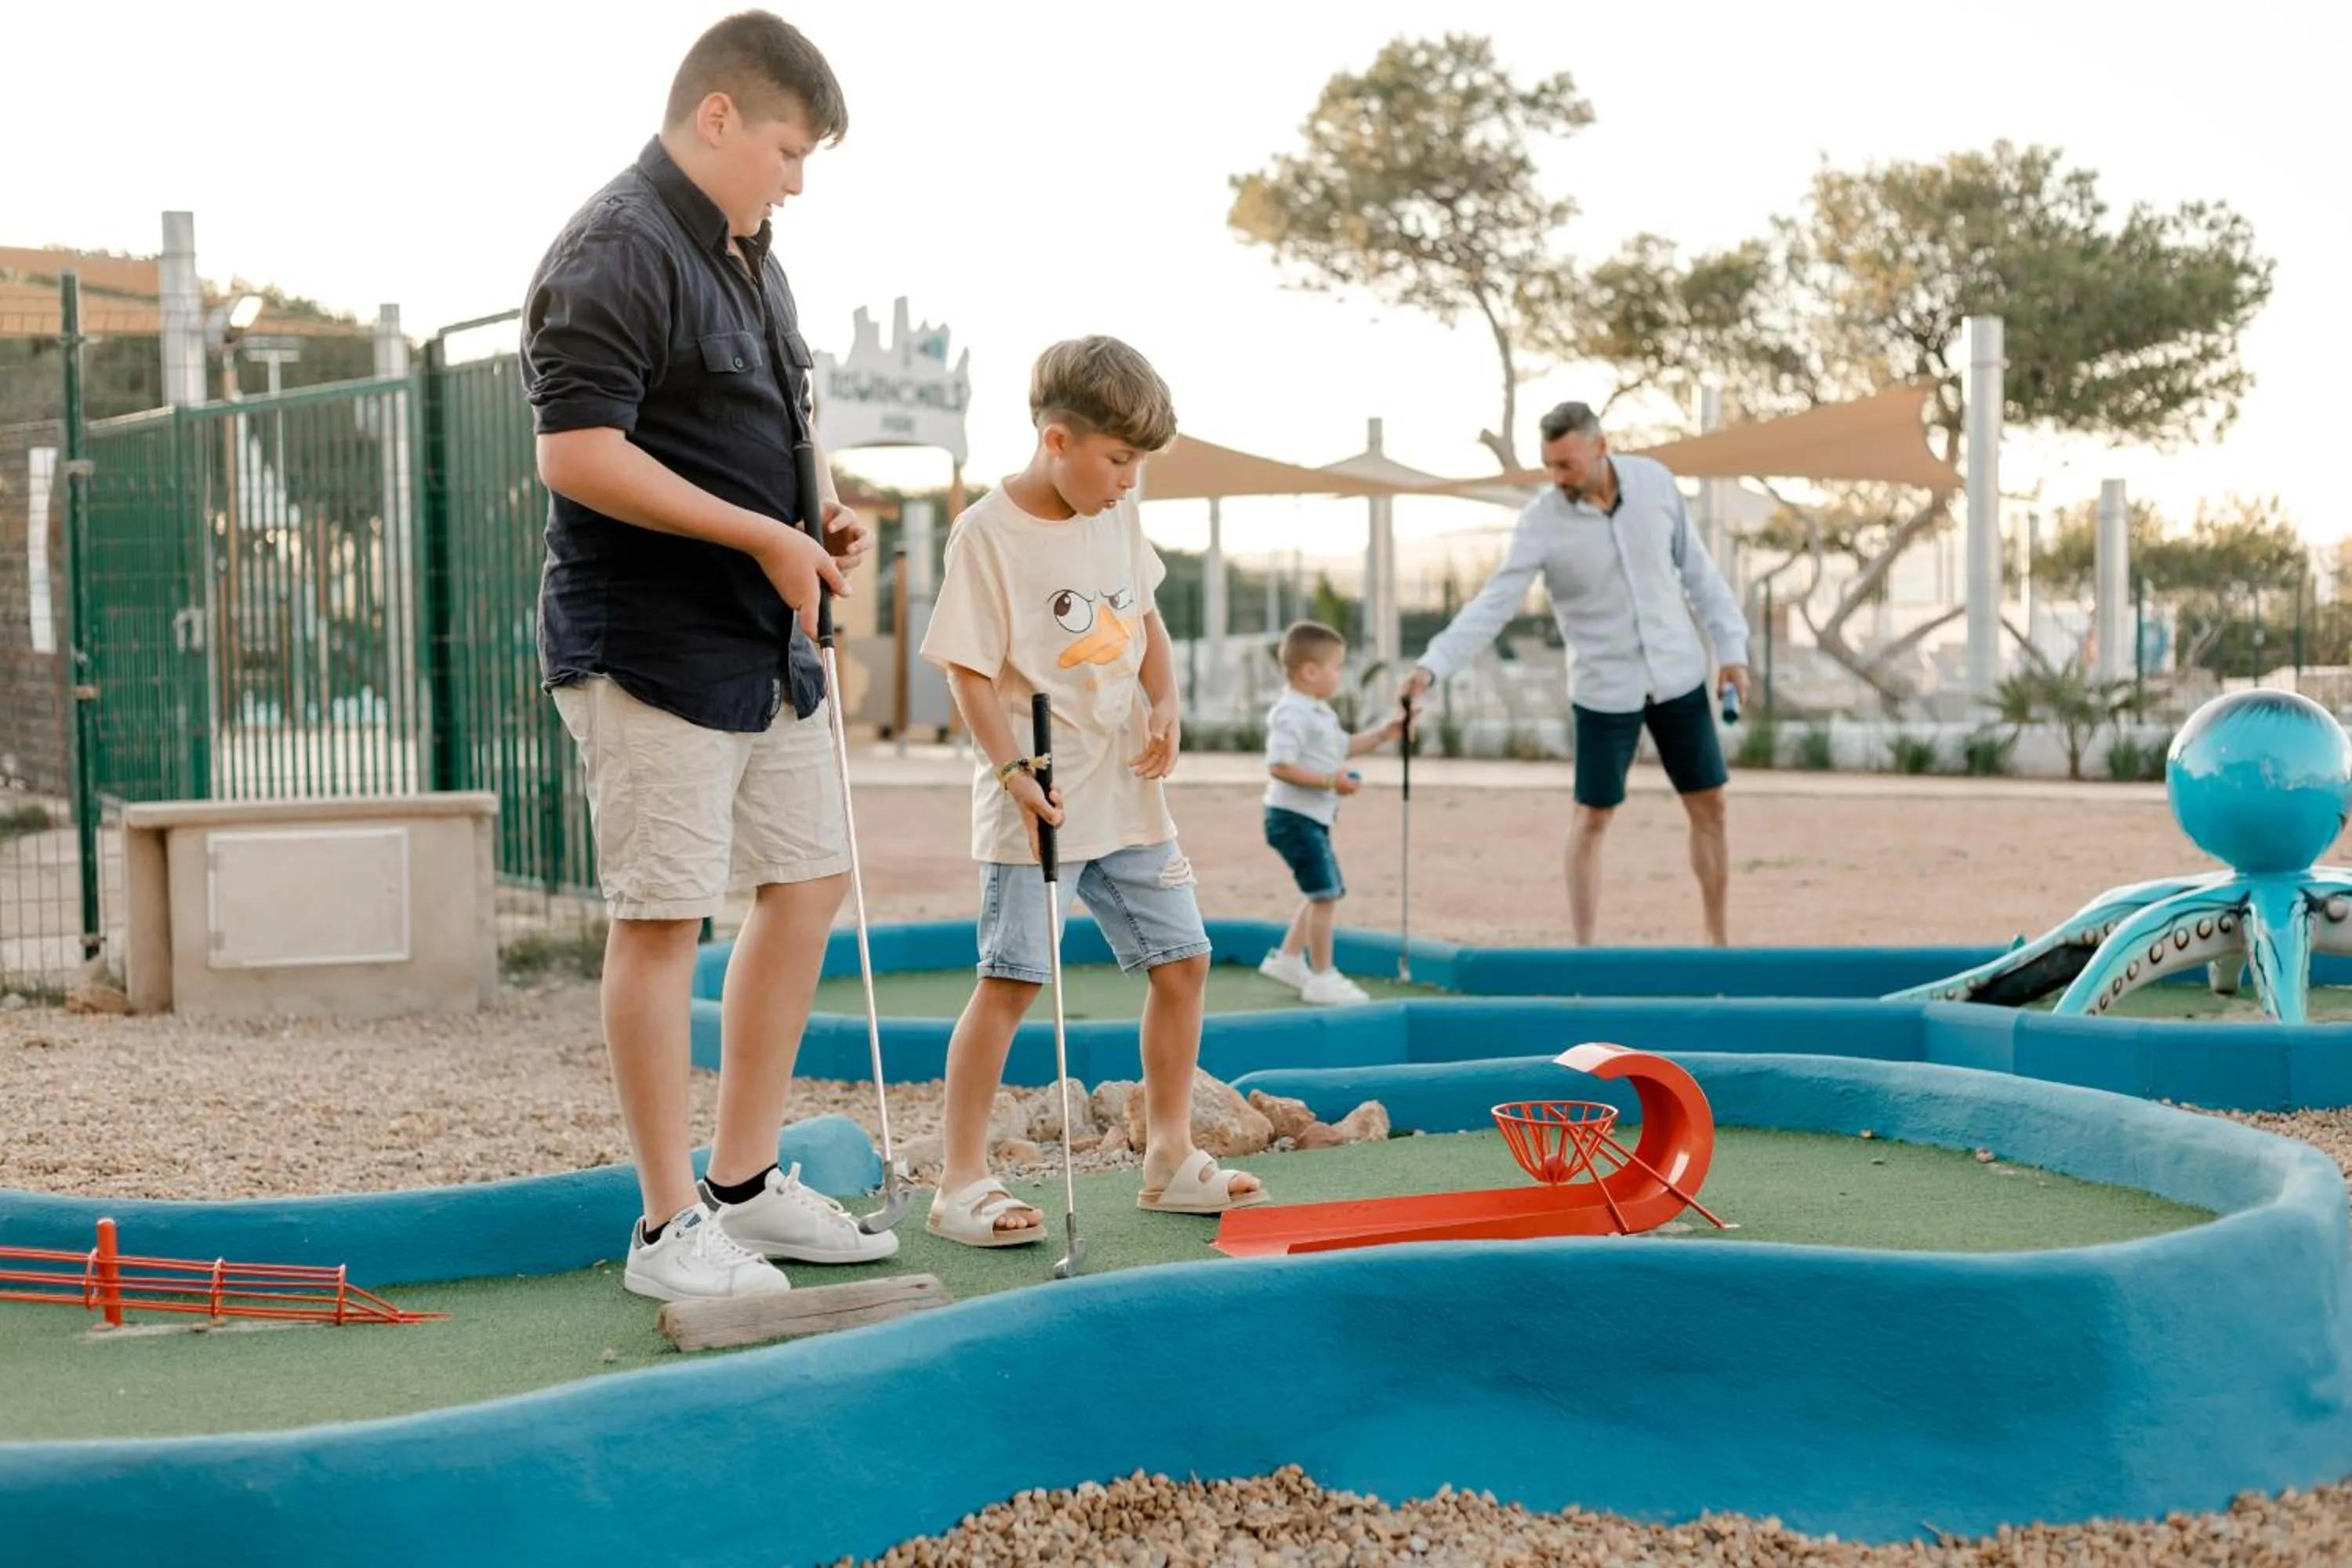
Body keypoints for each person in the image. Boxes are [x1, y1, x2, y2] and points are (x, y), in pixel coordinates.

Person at [521, 11, 898, 1302]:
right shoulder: (616, 246)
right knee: (661, 920)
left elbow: (783, 414)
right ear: (721, 117)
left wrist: (817, 510)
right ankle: (666, 1226)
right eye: (791, 149)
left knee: (807, 883)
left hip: (762, 635)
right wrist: (761, 534)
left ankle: (743, 1184)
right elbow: (577, 453)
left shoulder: (755, 254)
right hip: (650, 643)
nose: (799, 178)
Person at [916, 336, 1267, 1247]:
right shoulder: (987, 533)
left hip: (1127, 791)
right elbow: (964, 670)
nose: (1128, 480)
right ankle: (960, 1182)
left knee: (1183, 961)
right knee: (1012, 981)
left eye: (1139, 463)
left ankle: (1170, 1157)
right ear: (1058, 439)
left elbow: (1142, 615)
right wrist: (1010, 770)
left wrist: (1166, 701)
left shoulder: (1114, 510)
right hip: (1041, 798)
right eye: (1118, 459)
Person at [1398, 401, 1752, 946]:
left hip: (1677, 673)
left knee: (1712, 805)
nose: (1556, 477)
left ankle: (1720, 944)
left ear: (1600, 447)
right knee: (1592, 817)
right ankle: (1584, 953)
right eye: (1550, 465)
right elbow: (1495, 603)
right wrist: (1431, 667)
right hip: (1604, 689)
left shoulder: (1655, 484)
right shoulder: (1541, 520)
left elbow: (1700, 575)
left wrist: (1732, 650)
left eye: (1566, 464)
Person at [1255, 620, 1405, 1004]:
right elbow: (1280, 765)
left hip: (1309, 819)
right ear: (1310, 672)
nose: (1341, 675)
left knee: (1321, 890)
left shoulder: (1317, 712)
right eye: (1337, 667)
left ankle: (1289, 959)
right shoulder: (1292, 713)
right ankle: (1322, 977)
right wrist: (1329, 782)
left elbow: (1342, 748)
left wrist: (1385, 733)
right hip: (1292, 819)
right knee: (1325, 894)